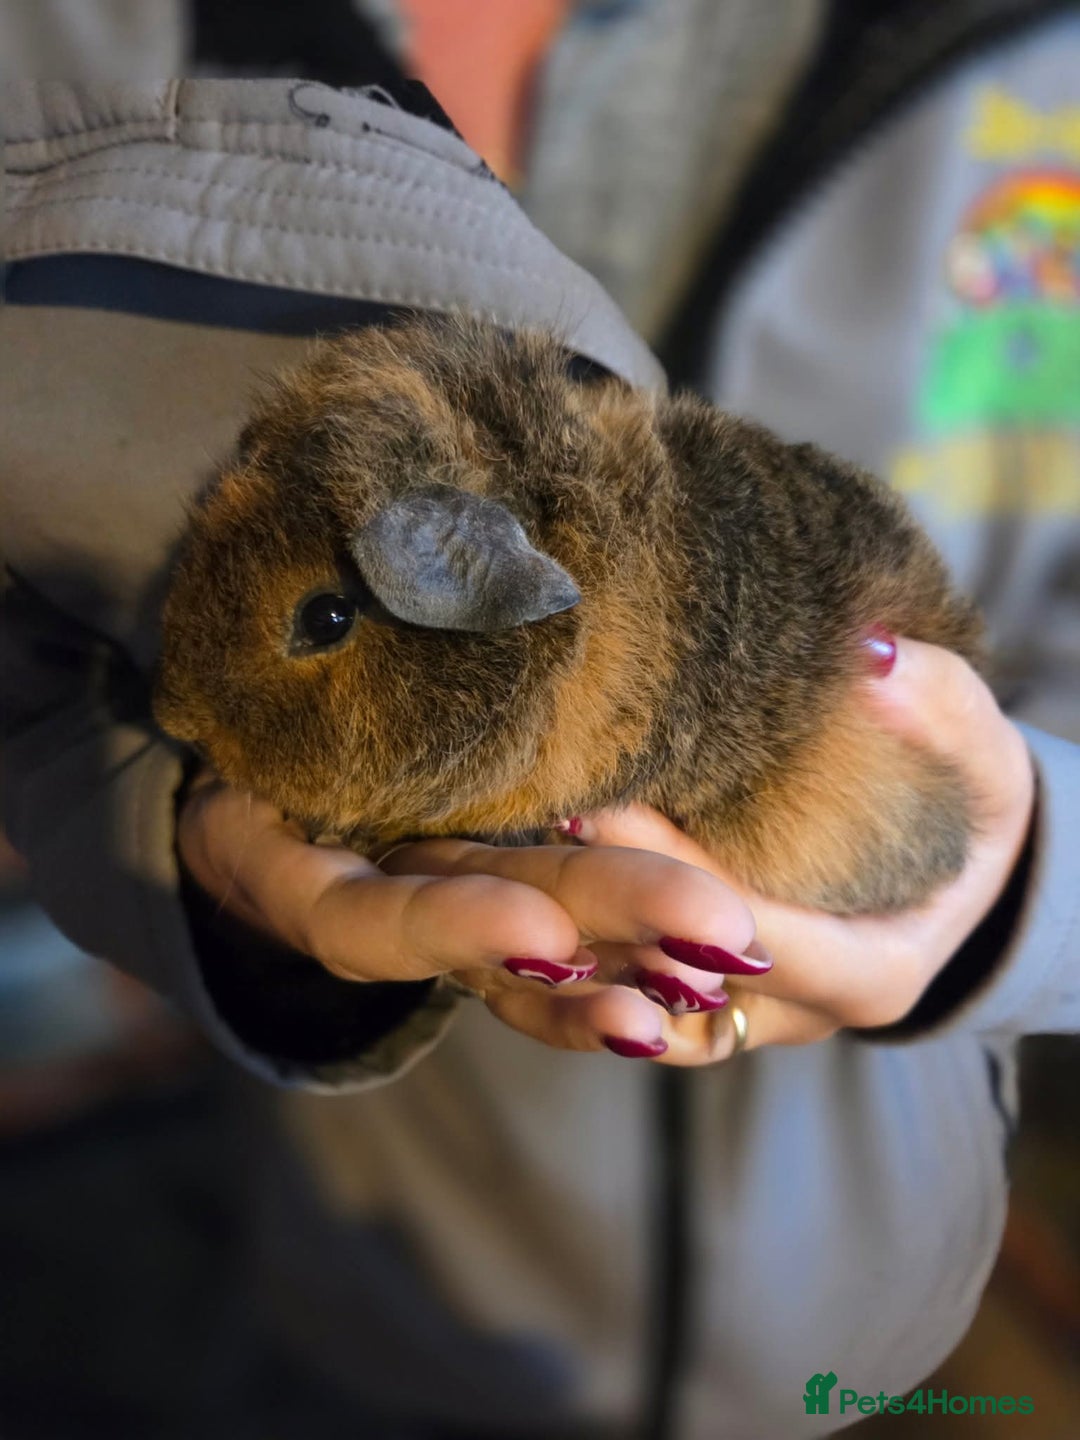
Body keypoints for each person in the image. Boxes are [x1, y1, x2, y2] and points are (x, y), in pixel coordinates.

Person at [2, 4, 1079, 1436]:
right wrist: (186, 871)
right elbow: (42, 689)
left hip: (877, 1339)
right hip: (381, 1289)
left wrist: (1025, 881)